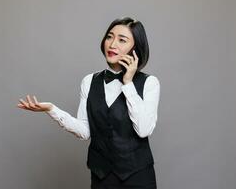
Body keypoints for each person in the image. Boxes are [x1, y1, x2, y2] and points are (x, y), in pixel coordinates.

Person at [17, 16, 160, 189]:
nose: (112, 44)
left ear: (135, 48)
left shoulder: (149, 83)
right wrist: (52, 109)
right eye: (109, 36)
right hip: (102, 176)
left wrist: (128, 83)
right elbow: (85, 131)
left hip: (138, 176)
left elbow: (144, 130)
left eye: (122, 40)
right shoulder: (89, 81)